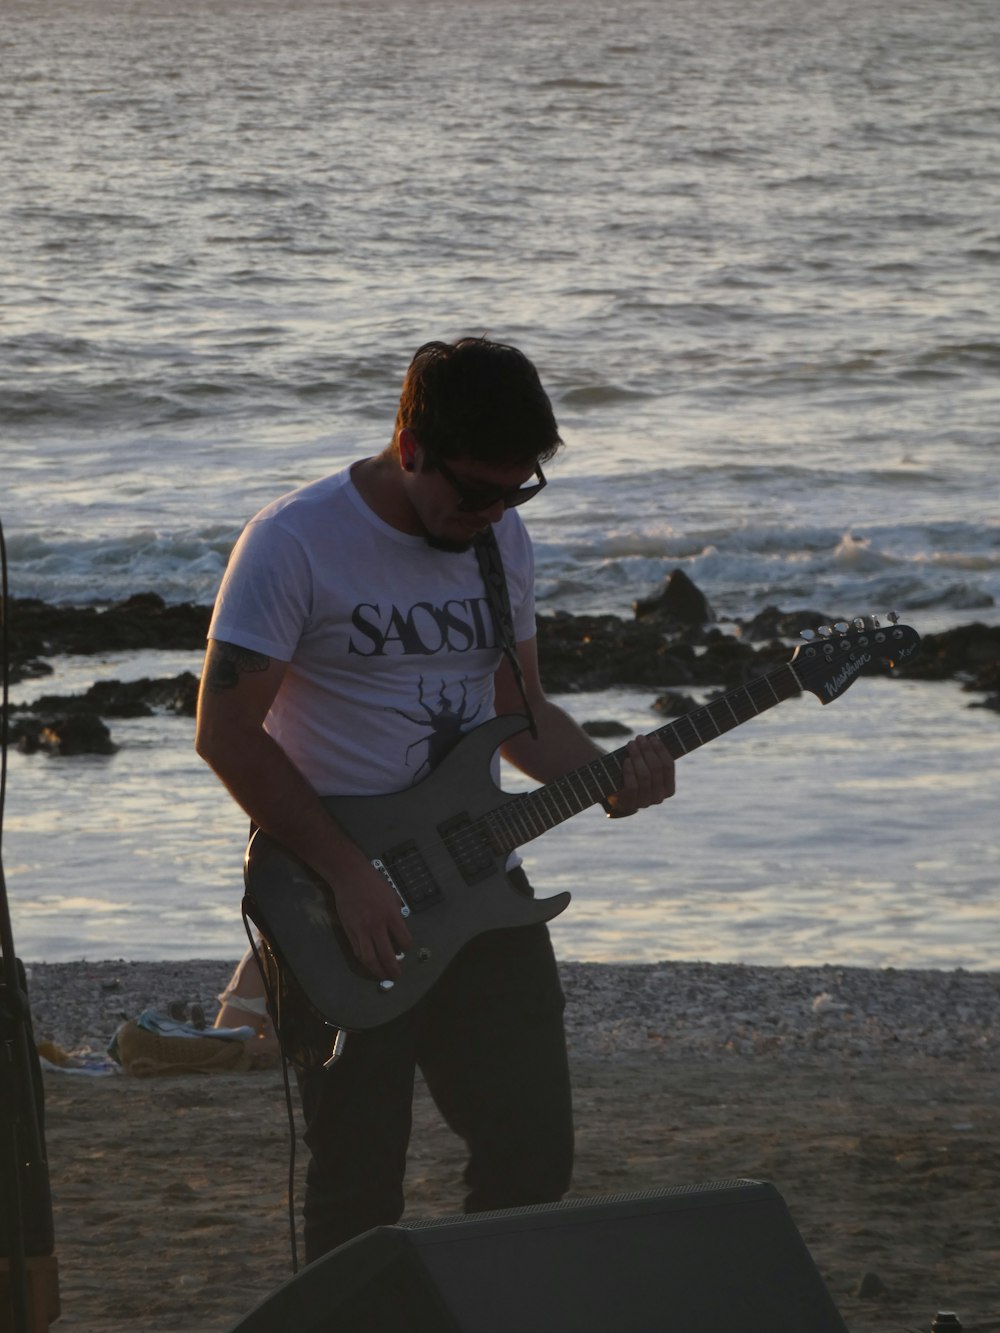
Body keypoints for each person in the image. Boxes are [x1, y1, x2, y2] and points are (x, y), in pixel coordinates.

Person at [194, 336, 675, 1261]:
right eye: (476, 492)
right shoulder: (294, 541)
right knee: (356, 1185)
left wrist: (614, 772)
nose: (493, 511)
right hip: (336, 905)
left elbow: (519, 716)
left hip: (480, 890)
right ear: (411, 445)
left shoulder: (502, 540)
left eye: (516, 491)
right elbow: (225, 734)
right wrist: (348, 876)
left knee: (533, 1158)